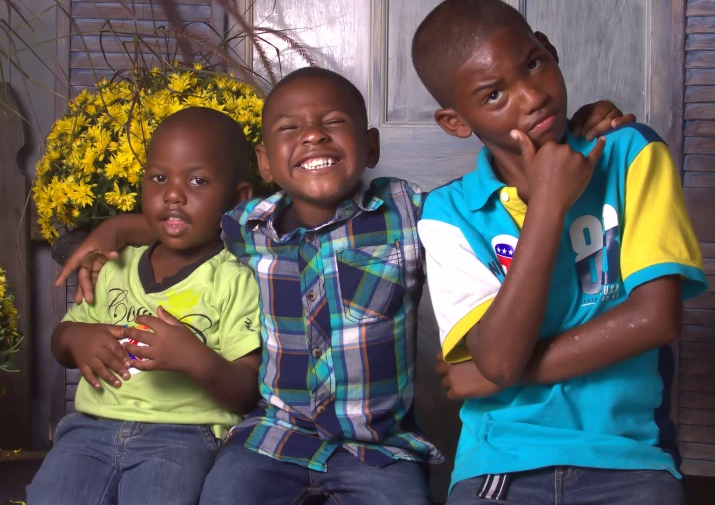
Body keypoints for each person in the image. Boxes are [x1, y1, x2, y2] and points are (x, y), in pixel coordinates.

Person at [54, 65, 634, 504]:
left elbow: (489, 203)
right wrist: (112, 227)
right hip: (272, 437)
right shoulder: (249, 227)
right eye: (291, 128)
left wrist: (576, 134)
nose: (313, 136)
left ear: (371, 146)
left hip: (378, 448)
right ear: (264, 161)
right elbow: (181, 220)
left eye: (333, 123)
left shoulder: (411, 214)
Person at [411, 0, 708, 504]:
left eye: (533, 64)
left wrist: (498, 376)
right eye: (493, 96)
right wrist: (547, 206)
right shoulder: (449, 214)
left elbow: (656, 319)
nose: (530, 97)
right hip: (500, 461)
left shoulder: (632, 153)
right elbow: (497, 359)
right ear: (456, 122)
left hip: (628, 456)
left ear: (549, 48)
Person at [27, 107, 262, 505]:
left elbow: (247, 391)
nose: (172, 193)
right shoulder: (115, 264)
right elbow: (61, 340)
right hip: (90, 429)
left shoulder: (233, 279)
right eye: (158, 178)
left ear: (237, 197)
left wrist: (193, 357)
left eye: (198, 180)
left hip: (184, 436)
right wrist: (79, 338)